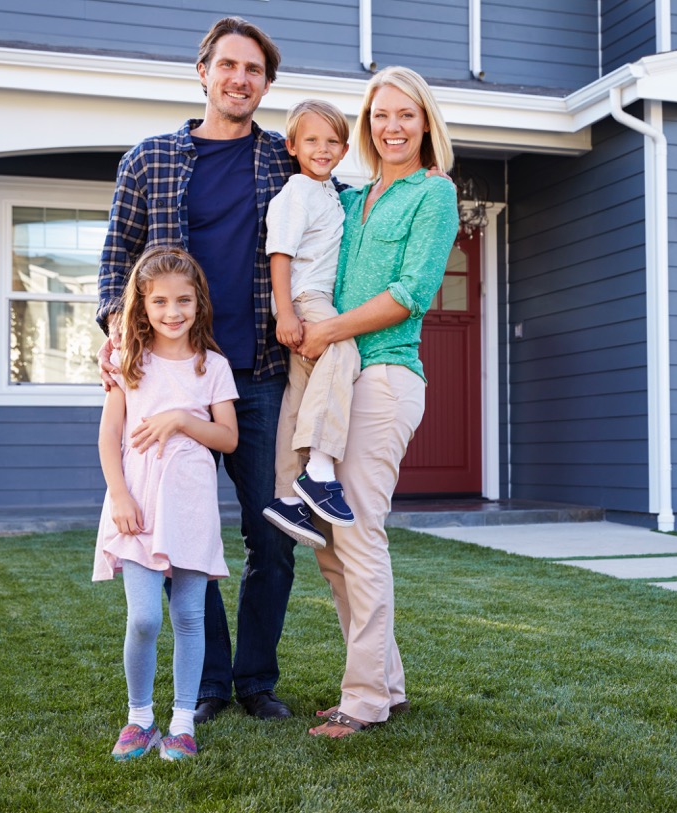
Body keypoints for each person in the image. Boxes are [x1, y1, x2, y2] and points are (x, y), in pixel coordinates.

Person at [96, 16, 301, 723]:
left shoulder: (284, 163)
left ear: (266, 84)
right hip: (172, 376)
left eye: (254, 70)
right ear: (203, 71)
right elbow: (115, 262)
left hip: (262, 372)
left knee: (270, 531)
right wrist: (114, 334)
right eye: (228, 66)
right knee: (186, 531)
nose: (240, 79)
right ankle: (208, 681)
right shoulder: (148, 160)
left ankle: (255, 679)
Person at [292, 67, 460, 738]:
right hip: (340, 377)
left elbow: (409, 293)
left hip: (385, 376)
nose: (392, 126)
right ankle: (385, 684)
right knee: (332, 544)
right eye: (381, 115)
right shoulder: (355, 195)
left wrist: (325, 330)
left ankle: (361, 699)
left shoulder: (434, 193)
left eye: (405, 115)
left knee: (357, 532)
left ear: (425, 123)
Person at [93, 247, 239, 762]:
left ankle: (181, 723)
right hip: (138, 506)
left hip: (191, 506)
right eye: (159, 302)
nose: (172, 312)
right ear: (142, 305)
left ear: (198, 302)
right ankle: (139, 719)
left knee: (189, 616)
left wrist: (179, 417)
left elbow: (227, 438)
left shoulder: (213, 366)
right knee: (144, 620)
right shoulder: (129, 363)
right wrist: (119, 495)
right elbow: (109, 437)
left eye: (183, 300)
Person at [262, 99, 362, 547]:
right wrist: (286, 311)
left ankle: (286, 496)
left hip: (308, 299)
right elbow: (279, 254)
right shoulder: (296, 193)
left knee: (299, 394)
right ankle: (320, 469)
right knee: (343, 349)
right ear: (293, 146)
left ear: (342, 149)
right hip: (306, 297)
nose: (322, 149)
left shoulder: (331, 193)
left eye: (332, 142)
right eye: (311, 141)